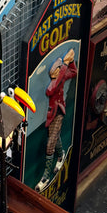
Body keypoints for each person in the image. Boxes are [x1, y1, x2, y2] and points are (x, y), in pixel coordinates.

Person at [35, 48, 78, 192]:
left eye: (57, 70)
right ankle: (61, 156)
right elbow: (50, 90)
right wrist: (65, 65)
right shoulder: (53, 83)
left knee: (50, 144)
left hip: (59, 113)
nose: (54, 73)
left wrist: (70, 61)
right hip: (51, 116)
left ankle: (45, 176)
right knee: (56, 138)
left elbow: (74, 72)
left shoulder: (61, 77)